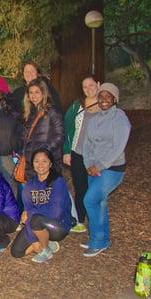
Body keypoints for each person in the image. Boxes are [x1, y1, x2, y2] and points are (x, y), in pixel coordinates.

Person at [81, 83, 130, 257]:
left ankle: (97, 241)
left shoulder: (120, 118)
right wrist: (88, 164)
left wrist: (99, 166)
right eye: (101, 96)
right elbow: (86, 144)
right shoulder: (94, 120)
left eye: (108, 96)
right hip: (92, 168)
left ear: (115, 99)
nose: (103, 100)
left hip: (112, 169)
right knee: (99, 203)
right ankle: (102, 239)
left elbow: (118, 147)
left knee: (90, 200)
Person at [10, 148, 71, 263]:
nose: (40, 165)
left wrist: (30, 213)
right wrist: (33, 241)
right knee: (16, 252)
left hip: (58, 225)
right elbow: (28, 210)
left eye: (44, 161)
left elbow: (56, 211)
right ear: (32, 164)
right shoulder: (29, 185)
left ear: (50, 164)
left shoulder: (58, 181)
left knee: (36, 219)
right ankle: (46, 242)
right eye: (36, 161)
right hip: (36, 223)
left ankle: (45, 249)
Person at [63, 76, 100, 233]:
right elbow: (67, 127)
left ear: (98, 85)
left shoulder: (105, 104)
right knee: (80, 187)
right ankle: (79, 219)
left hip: (97, 156)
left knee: (95, 188)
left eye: (91, 85)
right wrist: (66, 151)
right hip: (78, 153)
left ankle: (96, 221)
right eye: (85, 87)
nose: (88, 89)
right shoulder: (76, 106)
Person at [20, 78, 64, 181]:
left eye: (37, 92)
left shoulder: (52, 111)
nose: (33, 96)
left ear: (43, 93)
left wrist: (45, 150)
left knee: (48, 194)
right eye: (31, 93)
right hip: (31, 163)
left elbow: (60, 135)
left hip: (47, 162)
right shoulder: (30, 113)